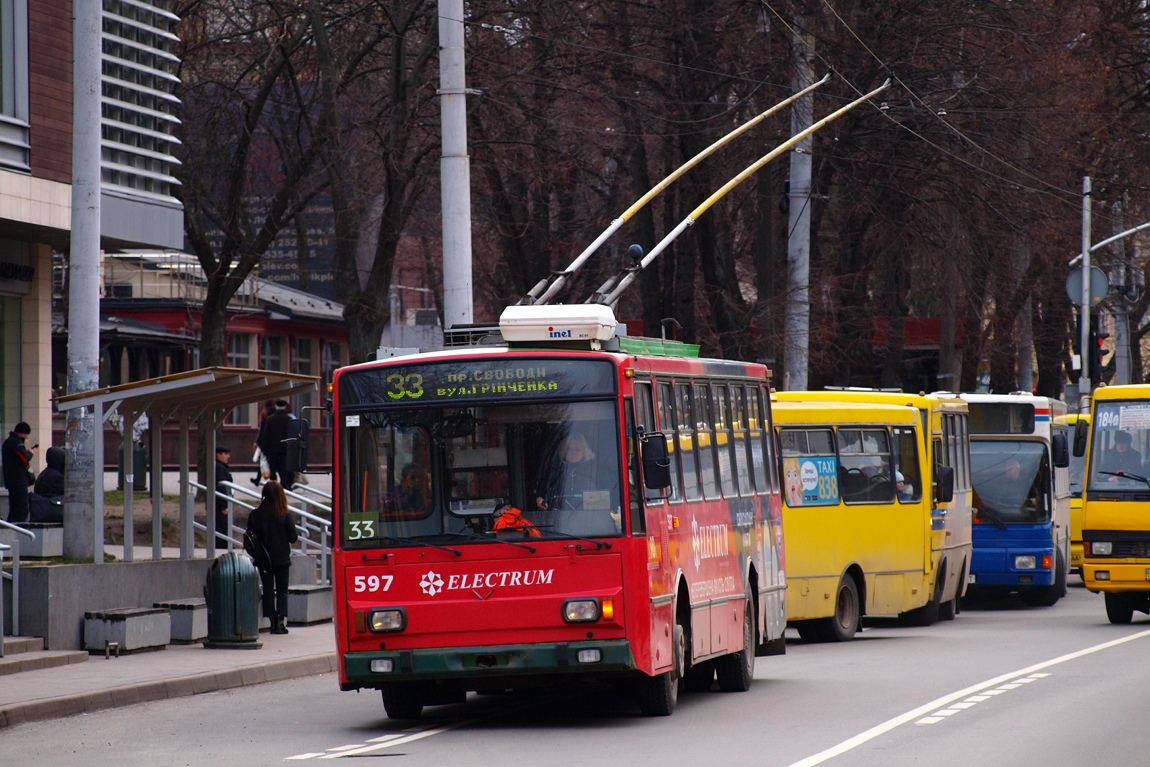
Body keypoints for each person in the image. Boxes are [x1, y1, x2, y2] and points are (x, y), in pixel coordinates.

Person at [245, 481, 298, 635]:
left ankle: (271, 619)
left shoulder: (255, 515)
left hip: (264, 559)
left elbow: (250, 537)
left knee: (267, 589)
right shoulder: (284, 514)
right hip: (282, 558)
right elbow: (293, 537)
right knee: (282, 590)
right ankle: (280, 623)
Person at [536, 433, 598, 510]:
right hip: (558, 515)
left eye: (577, 449)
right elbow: (542, 491)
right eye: (569, 449)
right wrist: (540, 499)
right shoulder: (555, 469)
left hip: (587, 515)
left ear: (584, 451)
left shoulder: (592, 469)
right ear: (564, 451)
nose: (573, 452)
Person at [2, 422, 36, 524]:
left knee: (14, 509)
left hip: (11, 480)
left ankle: (10, 528)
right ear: (24, 433)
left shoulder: (9, 442)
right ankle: (19, 531)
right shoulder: (15, 443)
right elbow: (24, 458)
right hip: (17, 480)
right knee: (22, 508)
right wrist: (30, 453)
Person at [256, 399, 294, 489]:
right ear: (285, 407)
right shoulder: (289, 419)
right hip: (285, 448)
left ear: (276, 406)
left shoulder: (270, 419)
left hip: (272, 449)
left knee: (272, 467)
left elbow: (266, 434)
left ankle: (274, 485)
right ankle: (284, 485)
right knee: (283, 468)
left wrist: (263, 448)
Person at [214, 446, 234, 546]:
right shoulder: (220, 468)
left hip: (218, 503)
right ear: (218, 455)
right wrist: (224, 505)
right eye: (225, 454)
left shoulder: (219, 467)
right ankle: (225, 546)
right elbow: (221, 487)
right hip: (219, 504)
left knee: (221, 527)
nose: (228, 456)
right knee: (222, 527)